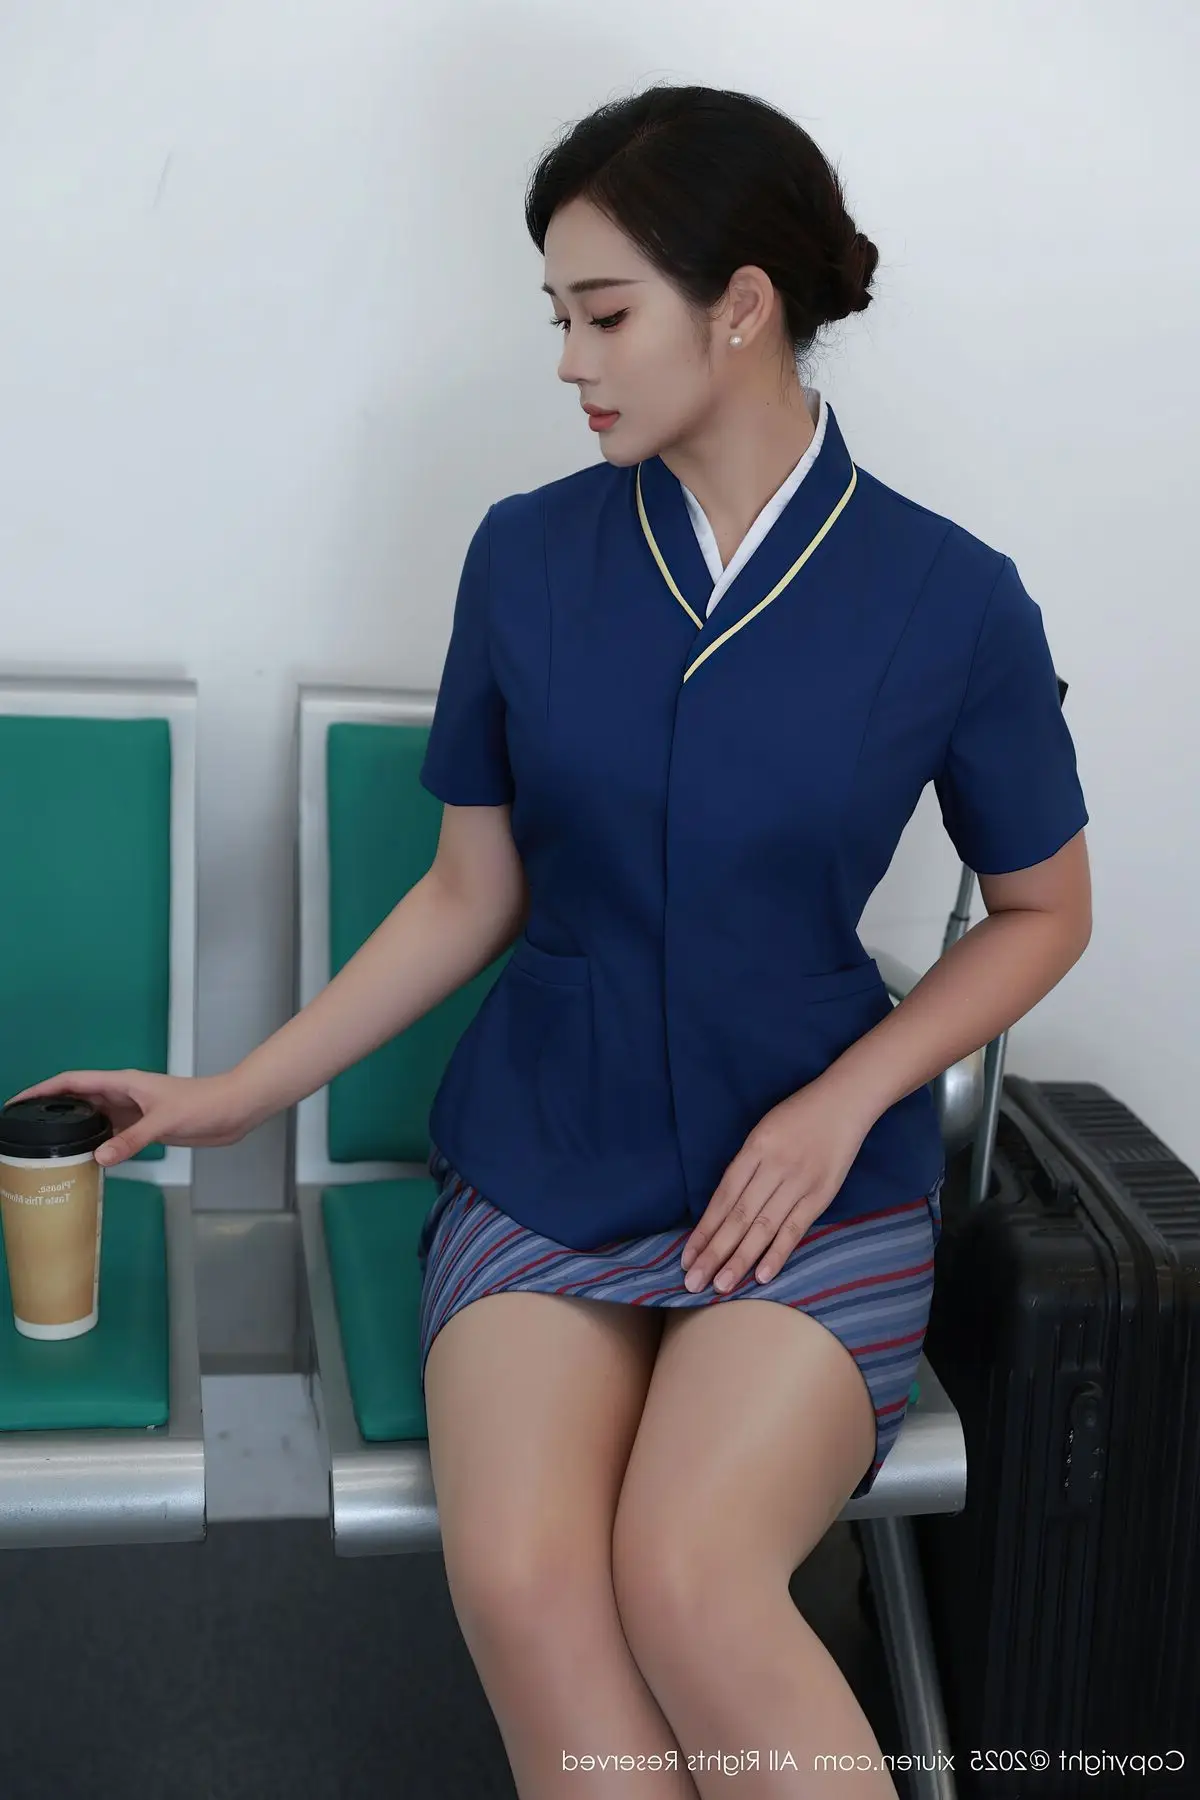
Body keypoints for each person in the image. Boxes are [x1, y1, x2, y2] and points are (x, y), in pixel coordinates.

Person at [8, 83, 1092, 1800]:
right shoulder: (525, 557)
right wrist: (229, 1095)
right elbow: (471, 891)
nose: (571, 362)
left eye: (605, 315)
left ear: (742, 308)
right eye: (557, 319)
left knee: (690, 1575)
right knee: (527, 1585)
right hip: (545, 1152)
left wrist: (843, 1104)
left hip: (805, 1173)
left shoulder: (952, 600)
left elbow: (1045, 912)